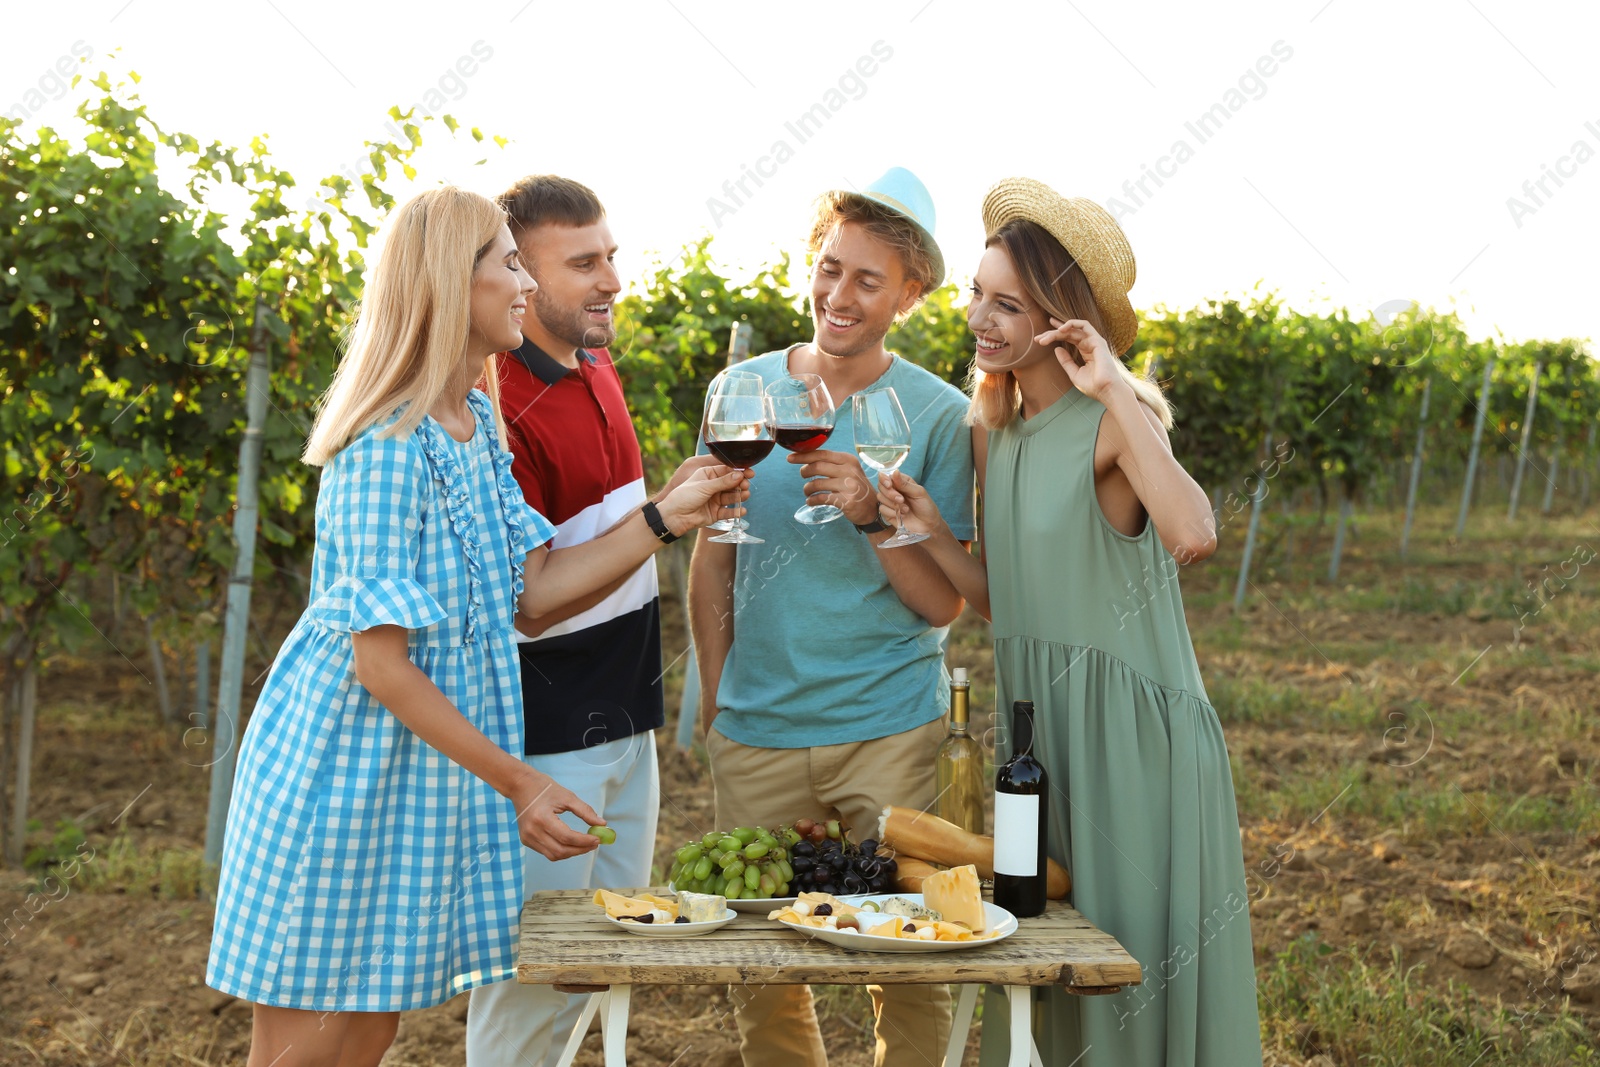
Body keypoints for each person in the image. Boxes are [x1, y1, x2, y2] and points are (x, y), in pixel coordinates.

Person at [205, 186, 745, 1067]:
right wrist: (521, 783)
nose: (523, 285)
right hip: (342, 782)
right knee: (301, 1055)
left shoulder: (473, 421)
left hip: (410, 781)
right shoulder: (386, 443)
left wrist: (666, 516)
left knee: (365, 1038)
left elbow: (533, 583)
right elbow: (381, 666)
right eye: (507, 263)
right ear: (450, 284)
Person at [875, 177, 1263, 1066]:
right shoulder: (994, 430)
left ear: (1064, 316)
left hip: (1134, 743)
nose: (980, 317)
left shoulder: (1111, 425)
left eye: (1007, 303)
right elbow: (1009, 605)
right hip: (1042, 736)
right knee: (1052, 968)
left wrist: (1118, 388)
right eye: (977, 293)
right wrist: (934, 533)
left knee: (1126, 978)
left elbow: (1196, 534)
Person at [688, 167, 974, 1067]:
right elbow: (714, 556)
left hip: (888, 725)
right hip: (760, 726)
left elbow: (945, 602)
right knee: (764, 971)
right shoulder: (743, 390)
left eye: (866, 279)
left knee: (911, 960)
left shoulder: (941, 415)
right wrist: (715, 692)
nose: (836, 296)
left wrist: (872, 518)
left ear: (911, 293)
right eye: (827, 267)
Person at [466, 175, 721, 1066]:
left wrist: (668, 499)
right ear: (519, 278)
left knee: (606, 966)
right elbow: (530, 599)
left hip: (627, 715)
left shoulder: (598, 364)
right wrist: (664, 517)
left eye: (610, 254)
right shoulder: (497, 403)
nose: (611, 279)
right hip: (547, 733)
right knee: (533, 981)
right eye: (584, 263)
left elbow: (607, 535)